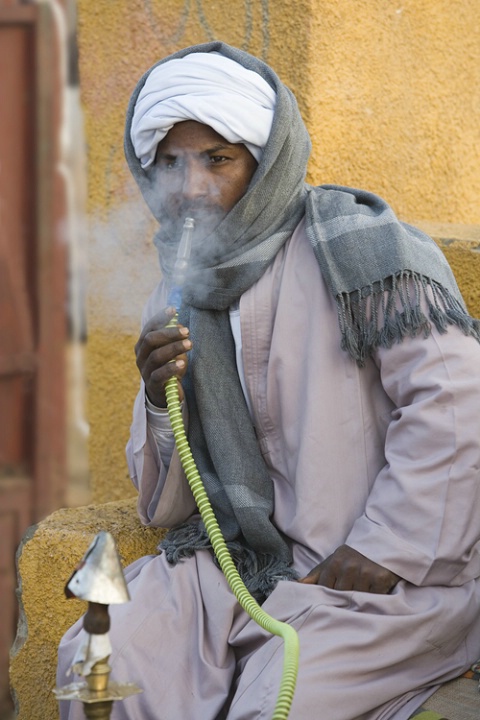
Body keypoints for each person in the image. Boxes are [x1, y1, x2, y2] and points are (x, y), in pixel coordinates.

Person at [57, 41, 480, 720]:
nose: (191, 187)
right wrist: (163, 399)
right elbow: (164, 510)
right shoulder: (176, 291)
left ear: (266, 160)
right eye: (171, 163)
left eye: (217, 159)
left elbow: (458, 406)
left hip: (379, 579)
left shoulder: (366, 252)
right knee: (105, 664)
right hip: (236, 563)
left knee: (281, 704)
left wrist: (388, 547)